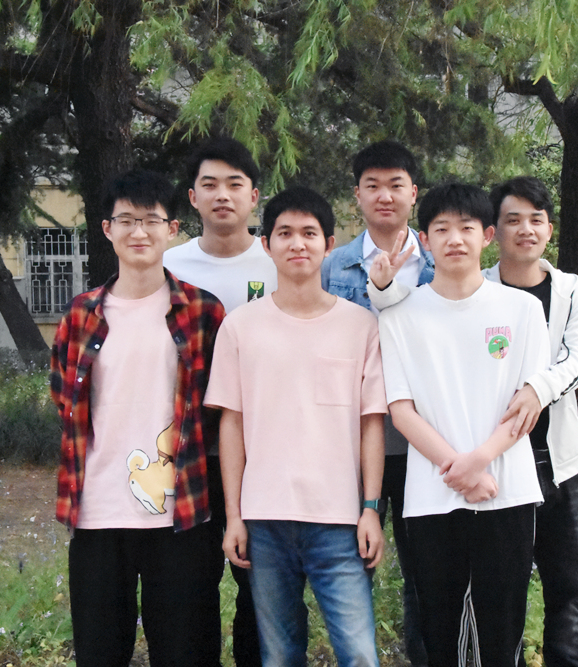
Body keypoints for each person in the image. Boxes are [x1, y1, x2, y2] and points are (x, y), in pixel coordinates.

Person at [205, 186, 387, 667]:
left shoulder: (361, 326)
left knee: (360, 654)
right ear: (267, 245)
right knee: (280, 656)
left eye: (309, 233)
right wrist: (234, 516)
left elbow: (371, 423)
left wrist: (370, 508)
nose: (297, 243)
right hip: (265, 520)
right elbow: (231, 426)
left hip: (340, 522)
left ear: (329, 244)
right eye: (285, 233)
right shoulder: (240, 326)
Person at [50, 169, 225, 667]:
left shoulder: (203, 311)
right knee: (100, 652)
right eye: (126, 220)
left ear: (173, 229)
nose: (139, 232)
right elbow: (64, 398)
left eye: (151, 220)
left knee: (186, 652)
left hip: (180, 514)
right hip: (99, 511)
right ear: (107, 229)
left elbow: (220, 407)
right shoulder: (81, 314)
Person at [375, 182, 550, 667]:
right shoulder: (399, 315)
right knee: (440, 630)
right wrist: (459, 469)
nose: (455, 239)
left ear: (487, 235)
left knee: (503, 630)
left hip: (507, 491)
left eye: (466, 228)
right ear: (425, 240)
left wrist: (479, 461)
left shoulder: (522, 310)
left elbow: (526, 405)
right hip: (432, 495)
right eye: (441, 229)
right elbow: (401, 410)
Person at [321, 140, 433, 667]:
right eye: (373, 186)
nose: (384, 195)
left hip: (423, 444)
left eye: (395, 185)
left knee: (424, 571)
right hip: (350, 442)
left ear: (413, 193)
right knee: (351, 569)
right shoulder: (333, 266)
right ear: (357, 196)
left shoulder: (439, 262)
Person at [163, 136, 274, 667]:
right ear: (193, 197)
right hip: (189, 454)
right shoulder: (168, 264)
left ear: (254, 196)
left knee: (262, 588)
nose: (222, 195)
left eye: (235, 184)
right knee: (191, 589)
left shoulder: (279, 260)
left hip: (265, 453)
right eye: (209, 185)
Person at [487, 176, 578, 667]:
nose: (525, 229)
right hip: (498, 469)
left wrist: (537, 389)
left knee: (567, 594)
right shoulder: (477, 289)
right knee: (500, 597)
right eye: (513, 220)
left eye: (536, 220)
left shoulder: (572, 291)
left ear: (549, 229)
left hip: (559, 468)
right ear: (494, 230)